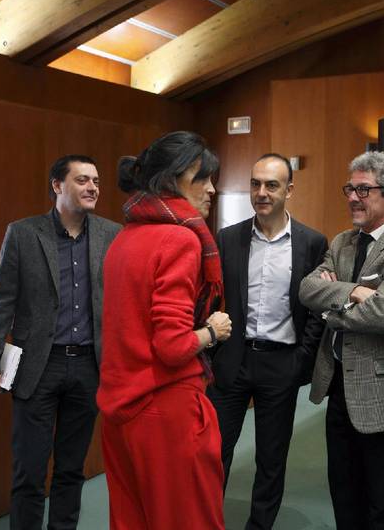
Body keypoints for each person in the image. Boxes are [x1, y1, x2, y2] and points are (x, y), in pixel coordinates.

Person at [97, 131, 232, 530]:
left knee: (131, 520)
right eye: (201, 179)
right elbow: (173, 346)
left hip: (119, 409)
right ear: (171, 181)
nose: (211, 189)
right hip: (166, 409)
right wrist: (212, 330)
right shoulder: (180, 239)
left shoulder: (125, 237)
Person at [0, 155, 121, 530]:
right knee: (29, 471)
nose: (93, 187)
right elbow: (1, 298)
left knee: (72, 469)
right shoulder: (24, 233)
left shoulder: (112, 234)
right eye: (82, 180)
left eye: (96, 180)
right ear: (57, 186)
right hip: (38, 366)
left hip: (89, 366)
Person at [299, 151, 384, 529]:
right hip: (340, 388)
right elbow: (308, 289)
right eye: (350, 189)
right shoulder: (343, 241)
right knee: (345, 497)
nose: (352, 198)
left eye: (362, 189)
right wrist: (356, 291)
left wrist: (331, 307)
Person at [209, 153, 328, 529]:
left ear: (289, 190)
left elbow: (315, 310)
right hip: (233, 360)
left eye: (271, 185)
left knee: (271, 459)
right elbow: (213, 299)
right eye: (255, 184)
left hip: (282, 364)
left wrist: (301, 361)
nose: (261, 193)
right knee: (214, 454)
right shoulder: (228, 238)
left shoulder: (311, 242)